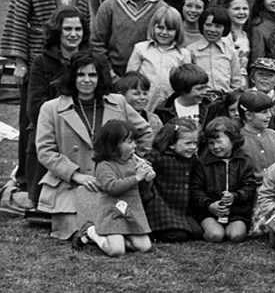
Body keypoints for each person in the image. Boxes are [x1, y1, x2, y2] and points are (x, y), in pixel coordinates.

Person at [35, 52, 154, 240]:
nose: (86, 80)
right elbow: (45, 151)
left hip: (114, 183)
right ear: (72, 77)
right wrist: (76, 175)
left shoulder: (118, 102)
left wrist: (130, 161)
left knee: (119, 228)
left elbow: (145, 132)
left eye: (93, 75)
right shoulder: (51, 108)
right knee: (78, 229)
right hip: (70, 184)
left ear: (100, 77)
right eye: (81, 74)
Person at [15, 7, 88, 209]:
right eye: (68, 29)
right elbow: (35, 106)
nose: (73, 34)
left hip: (83, 128)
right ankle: (17, 191)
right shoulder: (41, 62)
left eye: (78, 29)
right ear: (58, 31)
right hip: (51, 127)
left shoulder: (90, 61)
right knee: (37, 203)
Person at [91, 0, 181, 76]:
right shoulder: (110, 5)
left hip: (148, 76)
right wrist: (110, 75)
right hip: (113, 74)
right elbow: (97, 42)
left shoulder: (161, 8)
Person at [77, 120, 154, 257]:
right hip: (111, 213)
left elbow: (143, 186)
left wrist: (147, 176)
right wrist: (136, 177)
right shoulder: (104, 165)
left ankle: (122, 238)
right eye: (129, 142)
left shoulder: (132, 161)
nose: (134, 146)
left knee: (145, 247)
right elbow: (113, 187)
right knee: (116, 251)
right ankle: (91, 232)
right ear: (114, 145)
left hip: (131, 211)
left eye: (134, 141)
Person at [192, 117, 259, 243]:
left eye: (219, 142)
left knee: (236, 236)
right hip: (209, 211)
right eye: (211, 143)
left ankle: (233, 227)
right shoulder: (202, 163)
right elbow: (196, 190)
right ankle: (204, 229)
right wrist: (209, 205)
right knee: (216, 235)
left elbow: (250, 187)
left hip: (237, 212)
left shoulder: (244, 161)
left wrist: (235, 197)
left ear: (233, 140)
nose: (215, 147)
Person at [143, 118, 202, 242]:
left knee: (197, 233)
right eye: (188, 143)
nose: (193, 147)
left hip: (181, 206)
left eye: (195, 143)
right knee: (177, 236)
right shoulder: (157, 156)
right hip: (161, 205)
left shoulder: (191, 159)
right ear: (171, 143)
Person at [126, 8, 192, 112]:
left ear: (178, 31)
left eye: (170, 29)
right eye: (160, 28)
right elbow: (130, 79)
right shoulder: (141, 49)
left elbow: (187, 83)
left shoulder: (183, 54)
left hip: (172, 106)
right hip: (146, 103)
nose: (164, 32)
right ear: (153, 27)